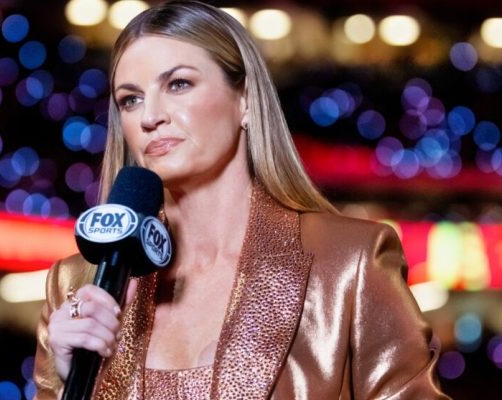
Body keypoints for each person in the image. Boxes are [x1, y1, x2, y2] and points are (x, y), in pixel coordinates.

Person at [33, 1, 450, 398]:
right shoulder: (77, 284)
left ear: (245, 99)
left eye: (178, 84)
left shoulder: (348, 263)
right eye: (131, 99)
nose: (149, 117)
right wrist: (74, 384)